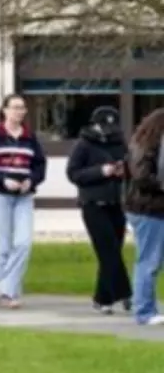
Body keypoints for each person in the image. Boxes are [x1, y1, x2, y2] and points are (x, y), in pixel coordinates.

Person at [0, 94, 46, 309]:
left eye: (22, 108)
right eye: (14, 108)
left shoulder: (29, 137)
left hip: (23, 196)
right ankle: (11, 293)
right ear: (4, 110)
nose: (19, 112)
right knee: (3, 245)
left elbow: (39, 165)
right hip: (0, 195)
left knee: (23, 242)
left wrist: (31, 181)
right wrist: (1, 181)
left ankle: (1, 287)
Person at [66, 106, 132, 315]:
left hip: (116, 203)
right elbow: (74, 173)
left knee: (113, 251)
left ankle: (102, 298)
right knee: (108, 250)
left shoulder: (119, 143)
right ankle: (126, 293)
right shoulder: (84, 145)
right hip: (93, 204)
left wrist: (123, 171)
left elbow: (130, 166)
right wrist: (101, 171)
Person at [125, 107, 164, 326]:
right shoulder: (147, 147)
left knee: (151, 259)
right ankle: (144, 311)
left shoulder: (143, 144)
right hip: (149, 209)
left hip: (150, 208)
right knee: (149, 260)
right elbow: (142, 178)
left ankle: (146, 307)